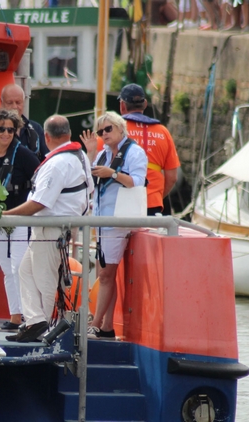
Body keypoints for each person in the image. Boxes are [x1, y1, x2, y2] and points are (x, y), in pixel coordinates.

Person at [2, 115, 93, 343]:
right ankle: (35, 322)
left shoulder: (57, 163)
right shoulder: (80, 156)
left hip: (50, 229)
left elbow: (39, 203)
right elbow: (89, 189)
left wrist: (6, 216)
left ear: (46, 137)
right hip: (53, 228)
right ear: (69, 133)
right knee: (25, 271)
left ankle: (43, 330)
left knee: (44, 280)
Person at [0, 83, 48, 324]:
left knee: (19, 267)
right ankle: (16, 317)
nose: (6, 133)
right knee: (6, 268)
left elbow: (42, 177)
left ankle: (29, 317)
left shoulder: (23, 154)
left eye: (10, 130)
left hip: (20, 217)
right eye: (1, 129)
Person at [83, 112, 148, 341]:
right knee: (105, 275)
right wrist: (91, 153)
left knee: (106, 275)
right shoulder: (103, 154)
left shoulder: (134, 152)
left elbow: (138, 182)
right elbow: (89, 181)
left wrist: (113, 173)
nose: (104, 134)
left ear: (121, 128)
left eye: (108, 129)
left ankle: (96, 324)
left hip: (119, 220)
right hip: (103, 221)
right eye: (100, 131)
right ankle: (107, 326)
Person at [114, 83, 179, 216]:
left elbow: (96, 167)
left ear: (122, 106)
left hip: (118, 202)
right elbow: (172, 177)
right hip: (153, 202)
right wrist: (157, 196)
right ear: (144, 104)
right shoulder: (163, 132)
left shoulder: (113, 130)